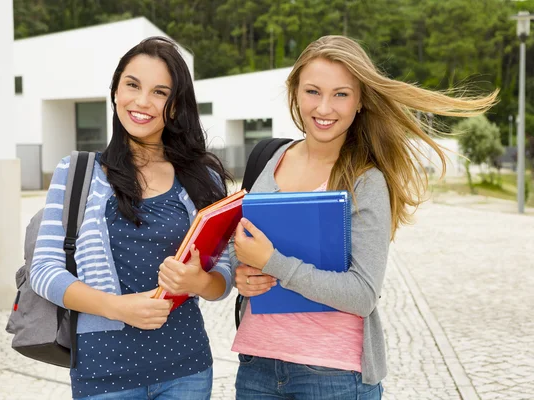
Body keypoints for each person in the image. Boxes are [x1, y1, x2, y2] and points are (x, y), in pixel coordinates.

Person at [230, 35, 497, 400]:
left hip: (333, 375)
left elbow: (363, 295)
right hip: (256, 366)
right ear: (294, 92)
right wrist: (243, 273)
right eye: (312, 91)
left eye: (341, 94)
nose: (324, 107)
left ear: (359, 103)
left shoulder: (365, 180)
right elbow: (240, 246)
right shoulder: (268, 158)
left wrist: (272, 263)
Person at [30, 37, 233, 399]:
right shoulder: (77, 172)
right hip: (104, 376)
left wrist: (200, 282)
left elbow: (223, 277)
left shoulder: (203, 179)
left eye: (160, 92)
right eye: (132, 85)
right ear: (115, 91)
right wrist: (117, 307)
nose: (142, 102)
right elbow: (43, 271)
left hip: (187, 370)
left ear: (174, 107)